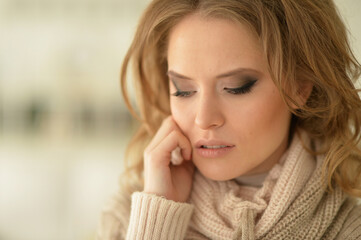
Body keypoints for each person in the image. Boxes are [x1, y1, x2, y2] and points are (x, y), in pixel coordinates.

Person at [97, 0, 361, 239]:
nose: (204, 119)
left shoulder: (350, 228)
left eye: (236, 87)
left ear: (300, 87)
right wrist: (156, 222)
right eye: (183, 89)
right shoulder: (125, 220)